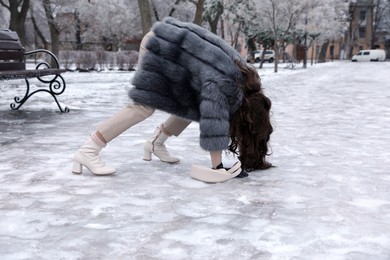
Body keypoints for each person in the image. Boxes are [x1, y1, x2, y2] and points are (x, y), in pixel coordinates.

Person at [72, 17, 273, 182]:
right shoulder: (228, 87)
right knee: (143, 106)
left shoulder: (247, 81)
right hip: (162, 46)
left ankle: (155, 142)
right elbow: (214, 123)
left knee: (196, 106)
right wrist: (217, 167)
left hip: (176, 45)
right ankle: (89, 149)